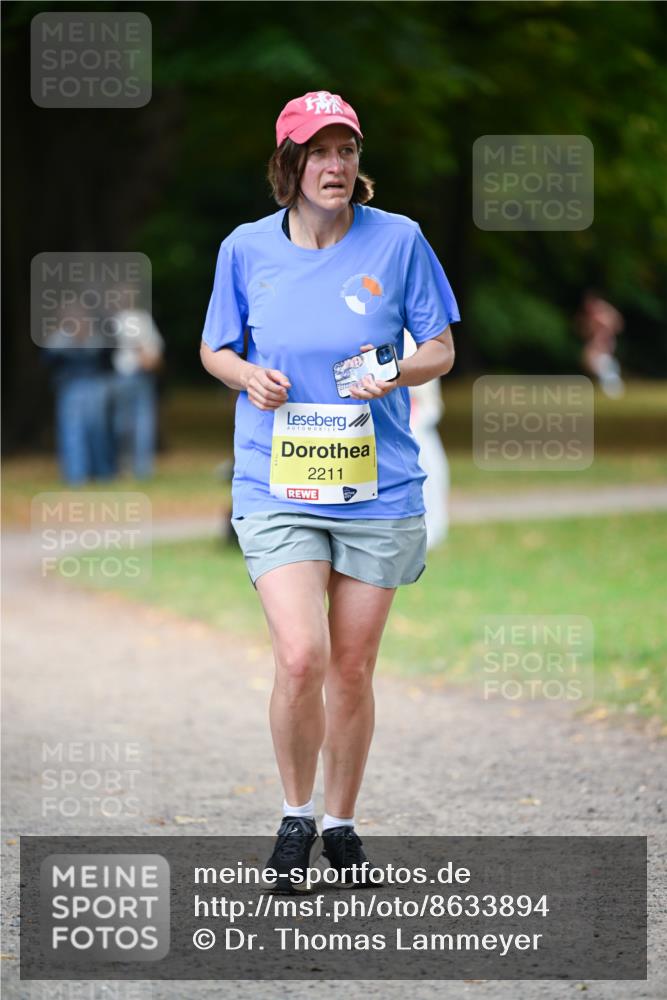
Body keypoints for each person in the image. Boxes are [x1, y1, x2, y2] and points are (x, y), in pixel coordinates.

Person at [200, 90, 460, 893]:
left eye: (345, 150)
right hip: (275, 482)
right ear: (289, 164)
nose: (335, 165)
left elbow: (440, 349)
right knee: (300, 654)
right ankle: (293, 815)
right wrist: (249, 376)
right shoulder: (245, 249)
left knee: (351, 667)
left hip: (377, 486)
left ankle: (341, 827)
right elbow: (215, 348)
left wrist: (391, 368)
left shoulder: (400, 241)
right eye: (318, 152)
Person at [110, 287, 165, 478]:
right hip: (121, 377)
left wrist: (150, 359)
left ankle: (142, 469)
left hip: (142, 377)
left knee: (144, 424)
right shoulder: (112, 320)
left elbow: (155, 347)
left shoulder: (142, 318)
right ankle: (123, 465)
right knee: (122, 424)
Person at [575, 290, 625, 398]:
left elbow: (616, 325)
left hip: (604, 341)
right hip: (600, 341)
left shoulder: (602, 313)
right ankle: (611, 380)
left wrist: (602, 336)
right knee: (593, 361)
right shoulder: (598, 313)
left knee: (595, 360)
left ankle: (612, 383)